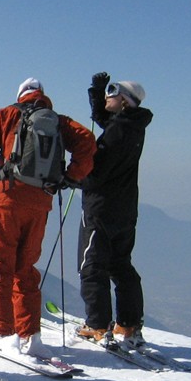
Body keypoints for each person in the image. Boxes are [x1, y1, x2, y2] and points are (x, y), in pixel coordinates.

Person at [0, 78, 95, 357]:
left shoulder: (8, 115)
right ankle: (30, 333)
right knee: (25, 269)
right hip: (40, 204)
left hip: (6, 201)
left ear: (21, 95)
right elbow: (87, 141)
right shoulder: (59, 122)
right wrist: (72, 176)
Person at [76, 76, 153, 347]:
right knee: (120, 264)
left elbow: (96, 173)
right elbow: (106, 120)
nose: (108, 96)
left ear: (124, 101)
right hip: (125, 210)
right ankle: (129, 324)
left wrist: (71, 177)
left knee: (92, 265)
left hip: (101, 209)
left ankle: (98, 325)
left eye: (113, 92)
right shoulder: (133, 126)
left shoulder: (118, 130)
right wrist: (96, 93)